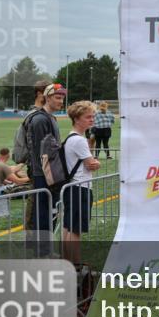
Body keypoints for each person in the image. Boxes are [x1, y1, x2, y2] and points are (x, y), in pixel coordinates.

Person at [61, 101, 101, 264]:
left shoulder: (71, 138)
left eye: (93, 116)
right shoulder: (79, 140)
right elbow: (91, 164)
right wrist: (97, 162)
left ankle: (68, 261)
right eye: (88, 117)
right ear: (77, 119)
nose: (92, 120)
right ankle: (75, 264)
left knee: (68, 226)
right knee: (75, 229)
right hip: (80, 187)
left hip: (72, 187)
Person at [27, 83, 66, 251]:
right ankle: (42, 250)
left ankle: (45, 248)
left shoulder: (50, 118)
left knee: (51, 212)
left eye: (62, 98)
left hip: (50, 173)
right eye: (57, 97)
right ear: (47, 97)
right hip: (44, 174)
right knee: (44, 213)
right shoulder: (40, 119)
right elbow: (43, 153)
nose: (61, 101)